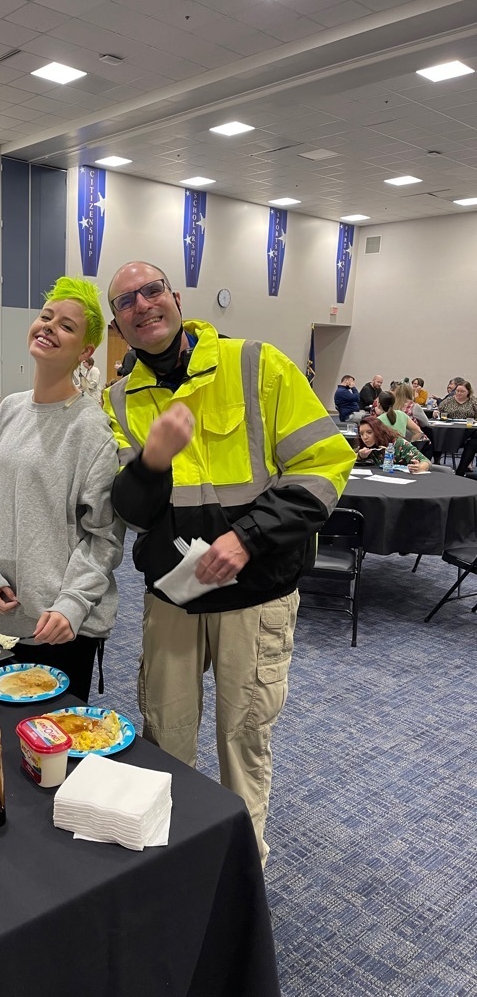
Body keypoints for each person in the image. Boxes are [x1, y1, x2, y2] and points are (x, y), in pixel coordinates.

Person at [103, 260, 355, 864]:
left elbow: (324, 464)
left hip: (257, 592)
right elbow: (133, 511)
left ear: (176, 297)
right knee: (165, 737)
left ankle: (241, 871)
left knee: (244, 739)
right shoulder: (118, 398)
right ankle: (174, 865)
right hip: (173, 599)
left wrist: (247, 537)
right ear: (118, 322)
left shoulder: (256, 364)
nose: (142, 305)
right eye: (126, 302)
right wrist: (152, 462)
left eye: (151, 291)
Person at [0, 277, 125, 703]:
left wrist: (71, 602)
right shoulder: (9, 411)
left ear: (86, 351)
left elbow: (104, 536)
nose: (49, 327)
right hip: (6, 612)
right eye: (45, 317)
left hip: (65, 623)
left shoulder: (92, 429)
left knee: (54, 746)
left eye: (66, 326)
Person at [355, 416, 430, 471]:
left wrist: (419, 467)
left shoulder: (398, 443)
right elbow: (349, 458)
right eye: (361, 434)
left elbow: (426, 462)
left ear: (378, 431)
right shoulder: (365, 446)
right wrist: (360, 456)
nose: (365, 437)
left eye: (369, 432)